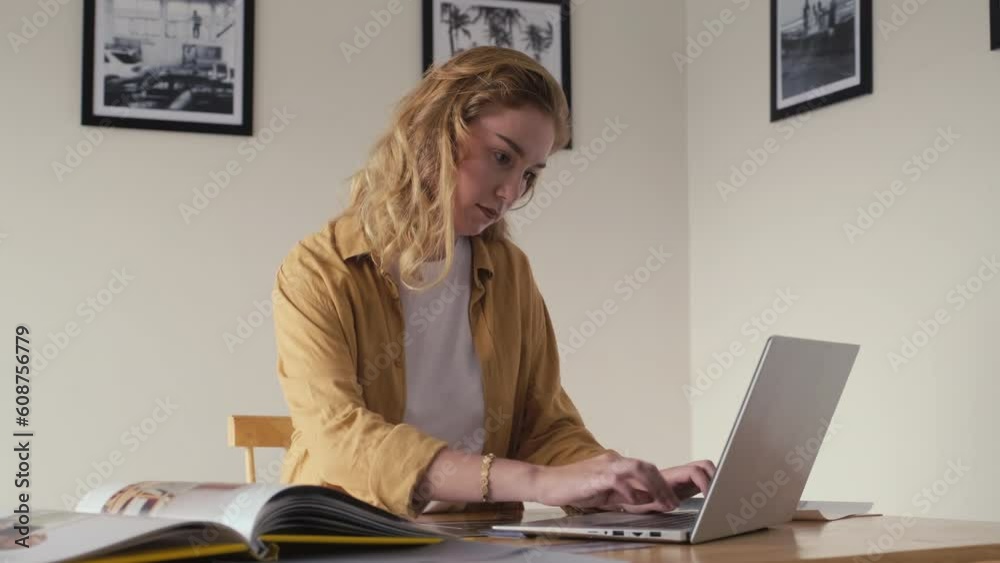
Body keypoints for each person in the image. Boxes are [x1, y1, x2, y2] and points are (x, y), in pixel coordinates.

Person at [272, 46, 716, 520]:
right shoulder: (320, 270)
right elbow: (339, 437)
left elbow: (541, 423)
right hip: (348, 531)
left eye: (528, 174)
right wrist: (536, 481)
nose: (511, 193)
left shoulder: (509, 271)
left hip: (481, 534)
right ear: (435, 133)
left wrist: (610, 480)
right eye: (502, 156)